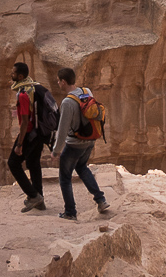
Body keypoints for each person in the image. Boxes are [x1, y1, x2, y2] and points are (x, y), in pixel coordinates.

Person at [50, 67, 111, 222]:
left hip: (74, 144)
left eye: (58, 81)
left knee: (64, 177)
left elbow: (62, 130)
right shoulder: (86, 91)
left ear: (63, 82)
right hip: (90, 141)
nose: (58, 83)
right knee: (82, 168)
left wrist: (56, 151)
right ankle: (100, 200)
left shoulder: (67, 102)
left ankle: (70, 212)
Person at [7, 62, 53, 212]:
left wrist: (20, 144)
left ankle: (34, 196)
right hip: (39, 133)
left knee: (13, 163)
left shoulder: (23, 94)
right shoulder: (33, 86)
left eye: (13, 73)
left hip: (29, 134)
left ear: (20, 76)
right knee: (34, 164)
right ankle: (40, 202)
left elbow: (25, 121)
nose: (11, 75)